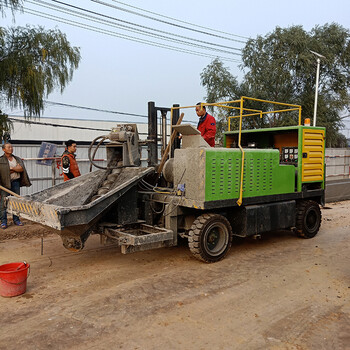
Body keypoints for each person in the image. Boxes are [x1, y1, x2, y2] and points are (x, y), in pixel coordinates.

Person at [0, 143, 31, 229]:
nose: (11, 148)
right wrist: (15, 169)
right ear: (3, 149)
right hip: (4, 184)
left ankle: (16, 220)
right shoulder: (1, 160)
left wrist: (11, 169)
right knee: (3, 203)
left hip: (15, 182)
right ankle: (3, 222)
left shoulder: (16, 159)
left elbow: (21, 169)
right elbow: (3, 172)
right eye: (8, 147)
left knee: (16, 202)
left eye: (11, 147)